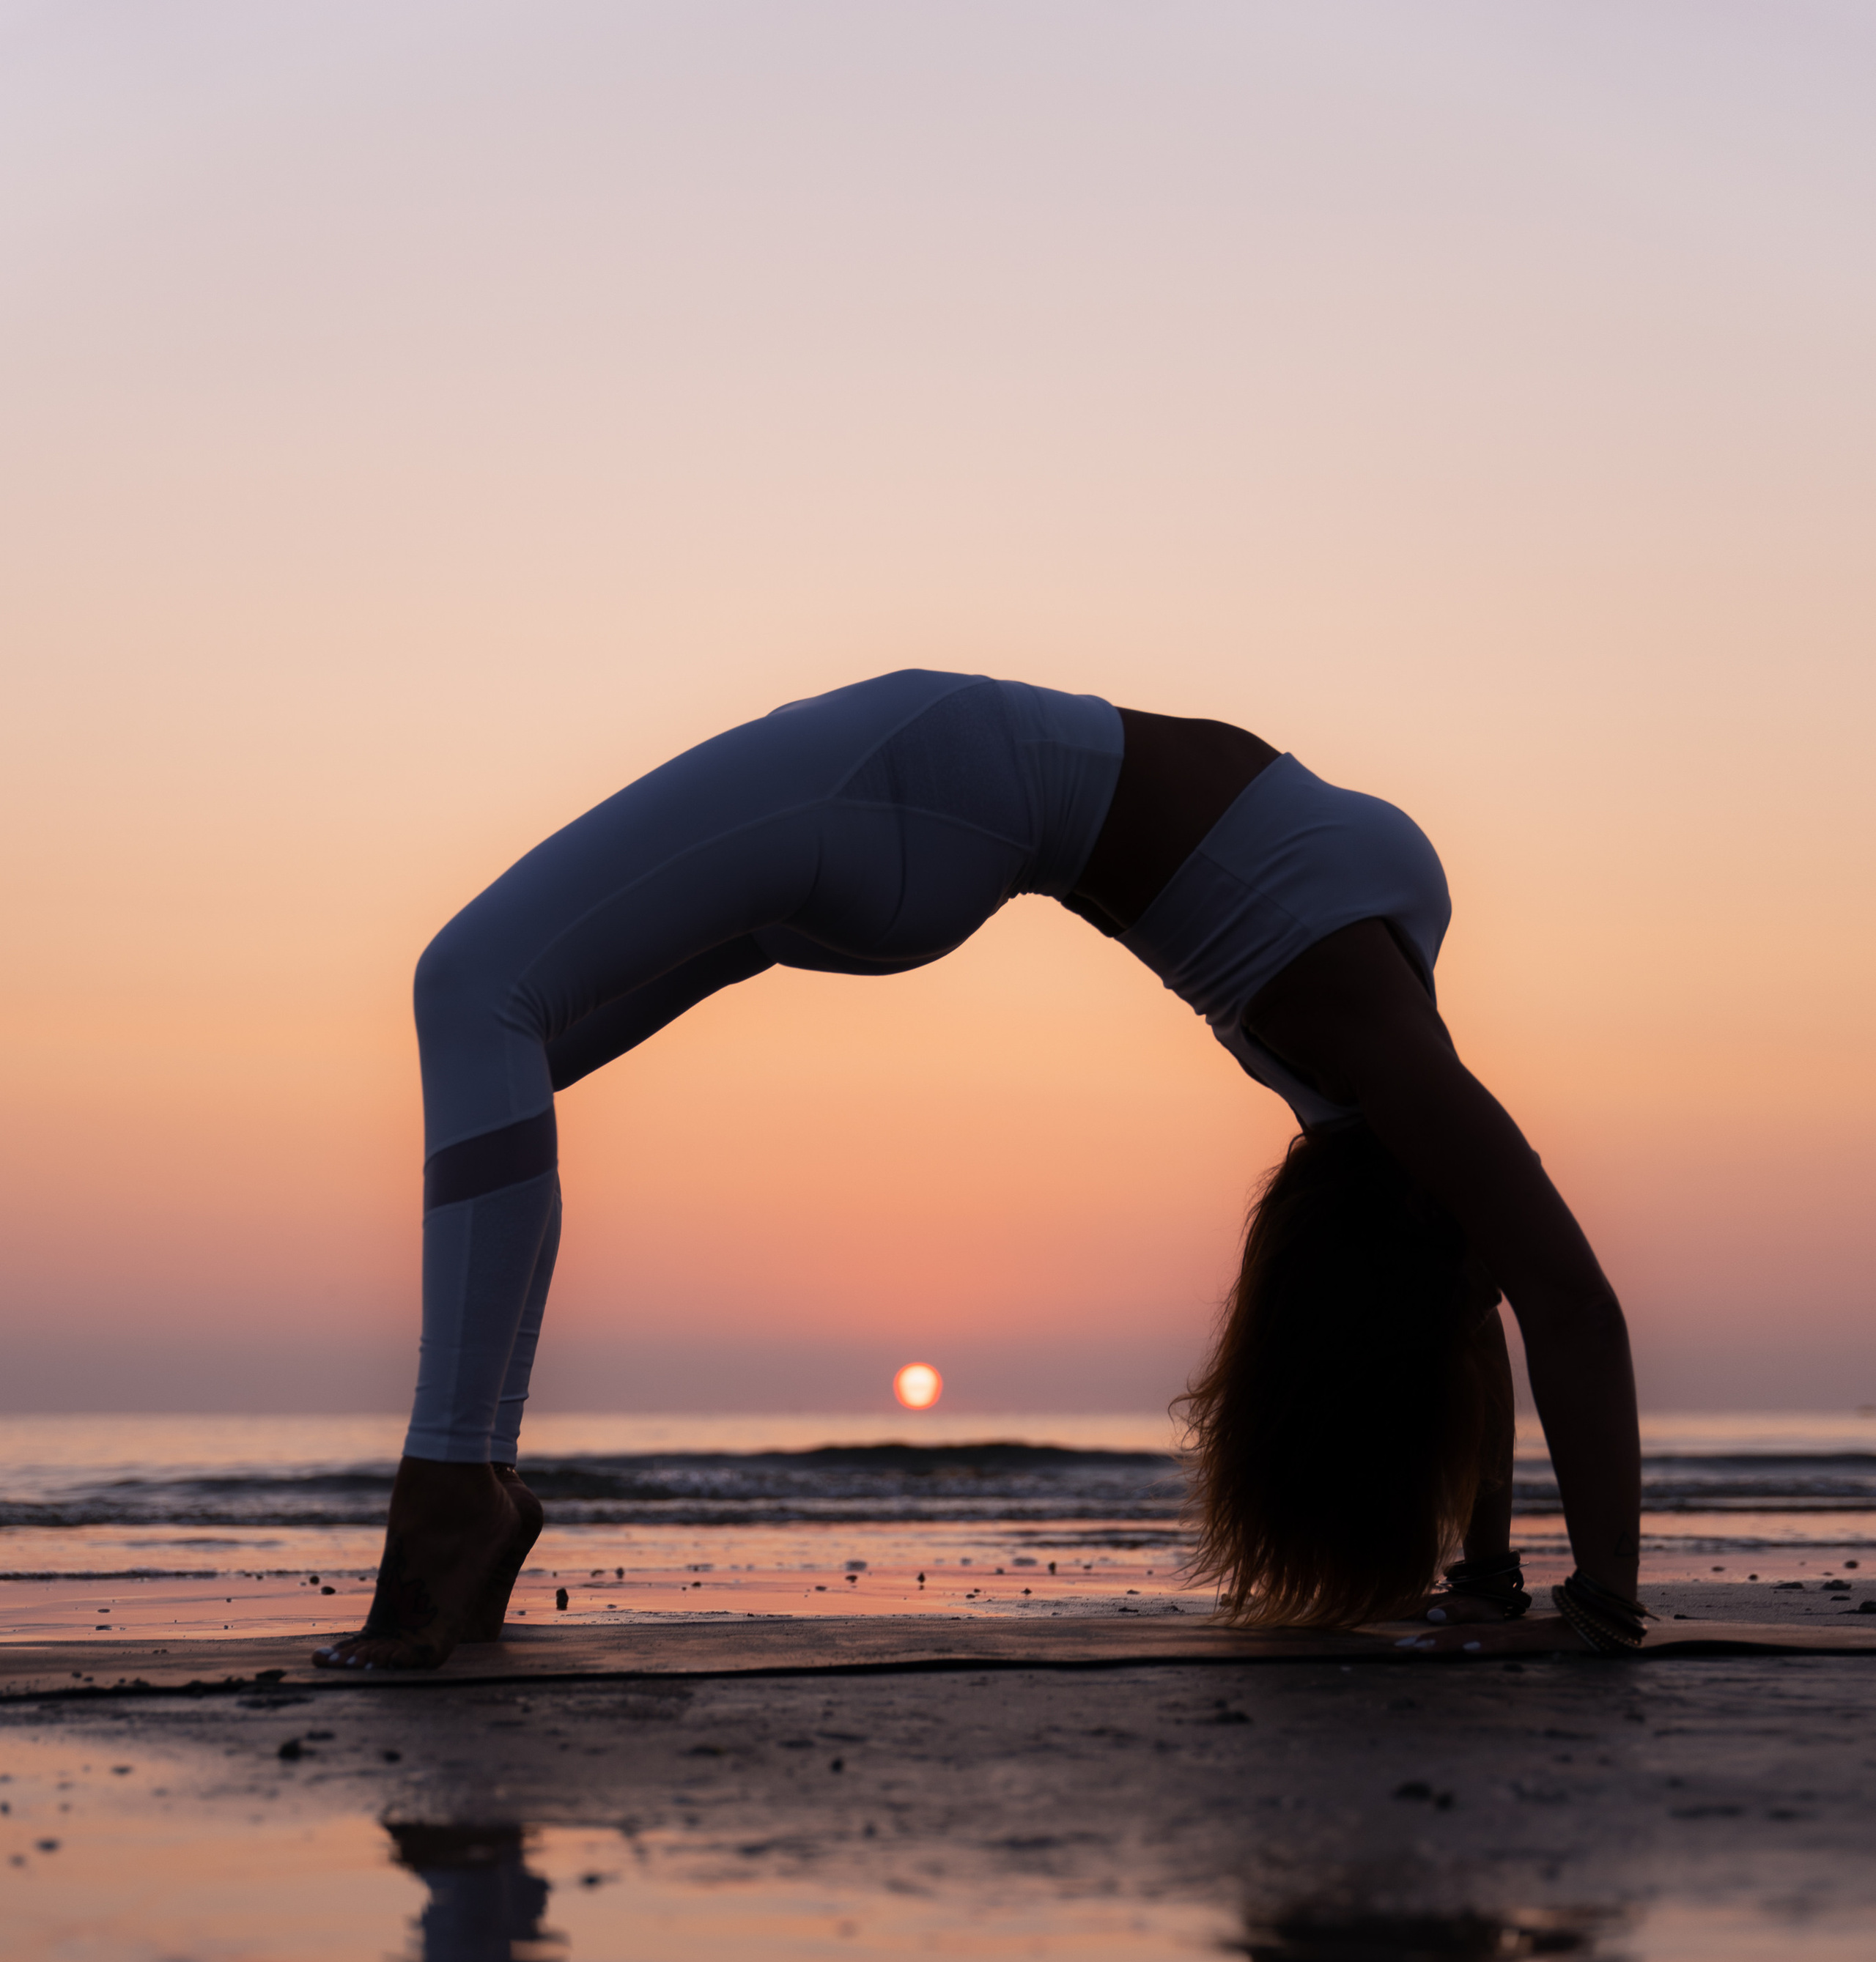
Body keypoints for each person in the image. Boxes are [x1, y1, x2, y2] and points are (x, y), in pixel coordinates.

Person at [318, 670, 1643, 1671]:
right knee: (510, 1040)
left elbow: (1566, 1303)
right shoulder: (1378, 1107)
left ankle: (451, 1494)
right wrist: (1490, 1579)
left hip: (930, 780)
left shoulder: (1368, 1047)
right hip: (937, 834)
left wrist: (1604, 1605)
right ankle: (469, 1479)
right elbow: (1479, 1303)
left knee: (472, 989)